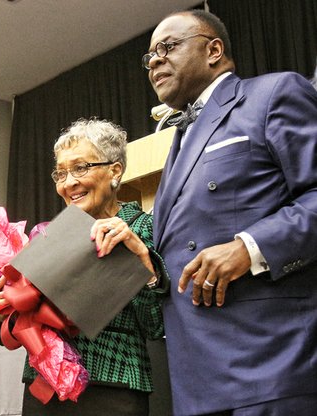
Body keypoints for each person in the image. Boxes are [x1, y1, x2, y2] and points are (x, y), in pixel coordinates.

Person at [144, 10, 317, 416]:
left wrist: (250, 246)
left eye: (167, 47)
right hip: (196, 380)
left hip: (271, 363)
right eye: (149, 55)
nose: (154, 61)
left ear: (214, 50)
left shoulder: (273, 94)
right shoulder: (179, 138)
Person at [0, 119, 168, 416]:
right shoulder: (47, 236)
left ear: (115, 170)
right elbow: (18, 324)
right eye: (61, 173)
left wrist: (144, 264)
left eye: (81, 168)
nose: (69, 183)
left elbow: (156, 326)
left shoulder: (144, 228)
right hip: (46, 388)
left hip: (113, 390)